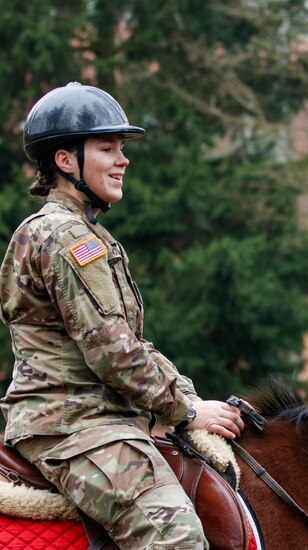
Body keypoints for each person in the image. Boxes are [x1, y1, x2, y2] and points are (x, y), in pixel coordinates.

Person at [0, 82, 244, 549]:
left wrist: (189, 400)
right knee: (176, 537)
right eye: (107, 148)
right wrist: (189, 410)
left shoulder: (89, 235)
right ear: (65, 160)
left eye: (122, 148)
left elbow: (130, 341)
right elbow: (113, 353)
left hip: (101, 419)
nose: (123, 159)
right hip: (72, 426)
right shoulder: (68, 238)